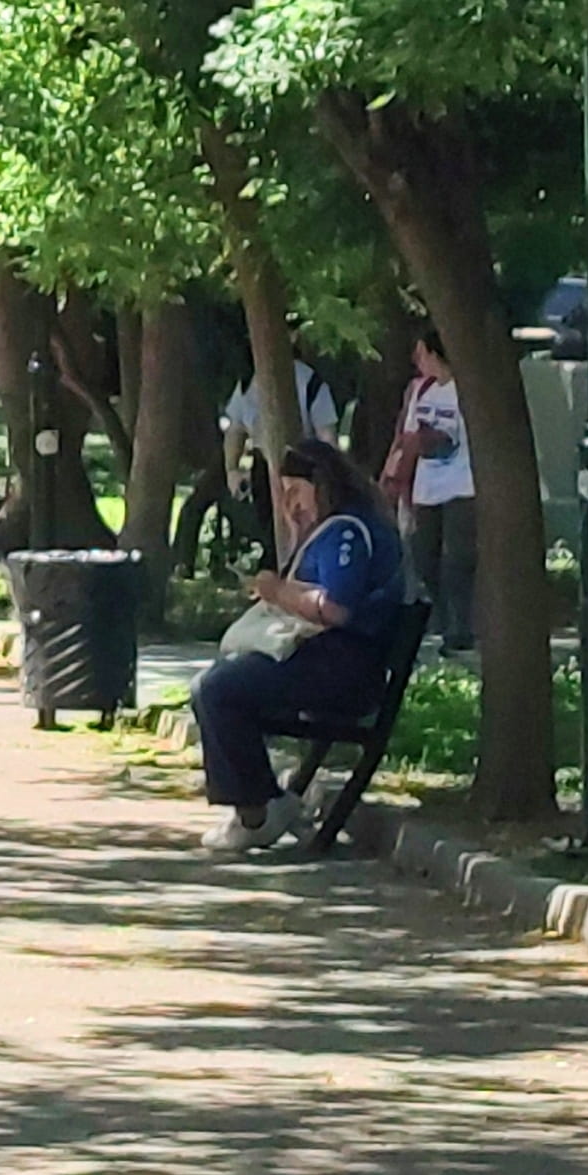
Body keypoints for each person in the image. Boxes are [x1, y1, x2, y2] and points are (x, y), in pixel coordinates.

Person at [188, 442, 420, 854]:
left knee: (217, 689)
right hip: (328, 662)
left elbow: (335, 608)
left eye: (296, 490)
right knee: (222, 683)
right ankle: (258, 800)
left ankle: (257, 813)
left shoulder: (348, 531)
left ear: (322, 485)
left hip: (340, 667)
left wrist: (277, 591)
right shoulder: (335, 529)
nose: (290, 502)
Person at [382, 325, 479, 655]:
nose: (416, 359)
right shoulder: (422, 390)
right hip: (427, 488)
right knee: (424, 555)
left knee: (457, 559)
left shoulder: (464, 391)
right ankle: (440, 617)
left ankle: (461, 627)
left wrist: (432, 439)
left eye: (420, 352)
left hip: (462, 485)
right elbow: (406, 439)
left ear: (434, 352)